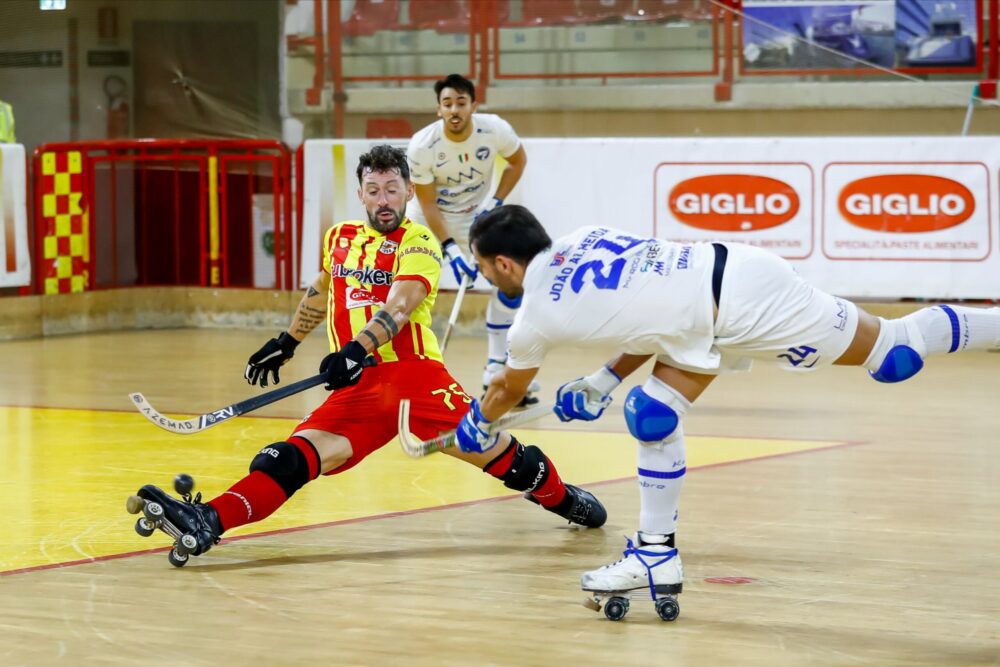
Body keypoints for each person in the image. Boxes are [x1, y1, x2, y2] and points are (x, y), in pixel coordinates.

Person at [457, 203, 1000, 610]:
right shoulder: (584, 236)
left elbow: (505, 389)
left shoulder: (534, 320)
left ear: (504, 264)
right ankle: (655, 554)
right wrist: (603, 380)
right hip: (718, 294)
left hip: (747, 306)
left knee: (896, 349)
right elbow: (652, 316)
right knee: (652, 414)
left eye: (483, 269)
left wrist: (475, 425)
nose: (485, 278)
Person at [128, 147, 606, 564]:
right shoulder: (339, 238)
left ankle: (565, 500)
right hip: (356, 386)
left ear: (407, 194)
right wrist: (288, 341)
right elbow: (322, 289)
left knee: (500, 457)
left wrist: (357, 347)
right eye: (373, 190)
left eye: (392, 189)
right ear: (361, 193)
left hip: (413, 380)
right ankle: (208, 519)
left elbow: (402, 302)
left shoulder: (418, 241)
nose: (383, 200)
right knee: (285, 461)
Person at [405, 73, 537, 406]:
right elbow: (427, 202)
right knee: (408, 287)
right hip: (429, 219)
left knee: (510, 282)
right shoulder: (423, 145)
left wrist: (494, 203)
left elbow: (517, 161)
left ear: (473, 106)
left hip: (477, 216)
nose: (454, 110)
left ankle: (496, 365)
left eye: (461, 103)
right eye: (447, 104)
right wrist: (450, 249)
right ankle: (402, 369)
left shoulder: (494, 130)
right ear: (438, 109)